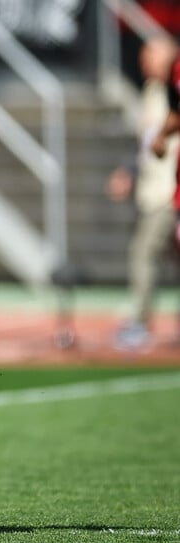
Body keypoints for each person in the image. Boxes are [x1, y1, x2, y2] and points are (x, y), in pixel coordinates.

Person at [107, 36, 180, 350]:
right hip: (154, 189)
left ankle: (139, 322)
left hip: (169, 191)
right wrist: (129, 171)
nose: (144, 62)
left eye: (150, 56)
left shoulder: (172, 88)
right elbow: (146, 142)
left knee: (143, 252)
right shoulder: (153, 91)